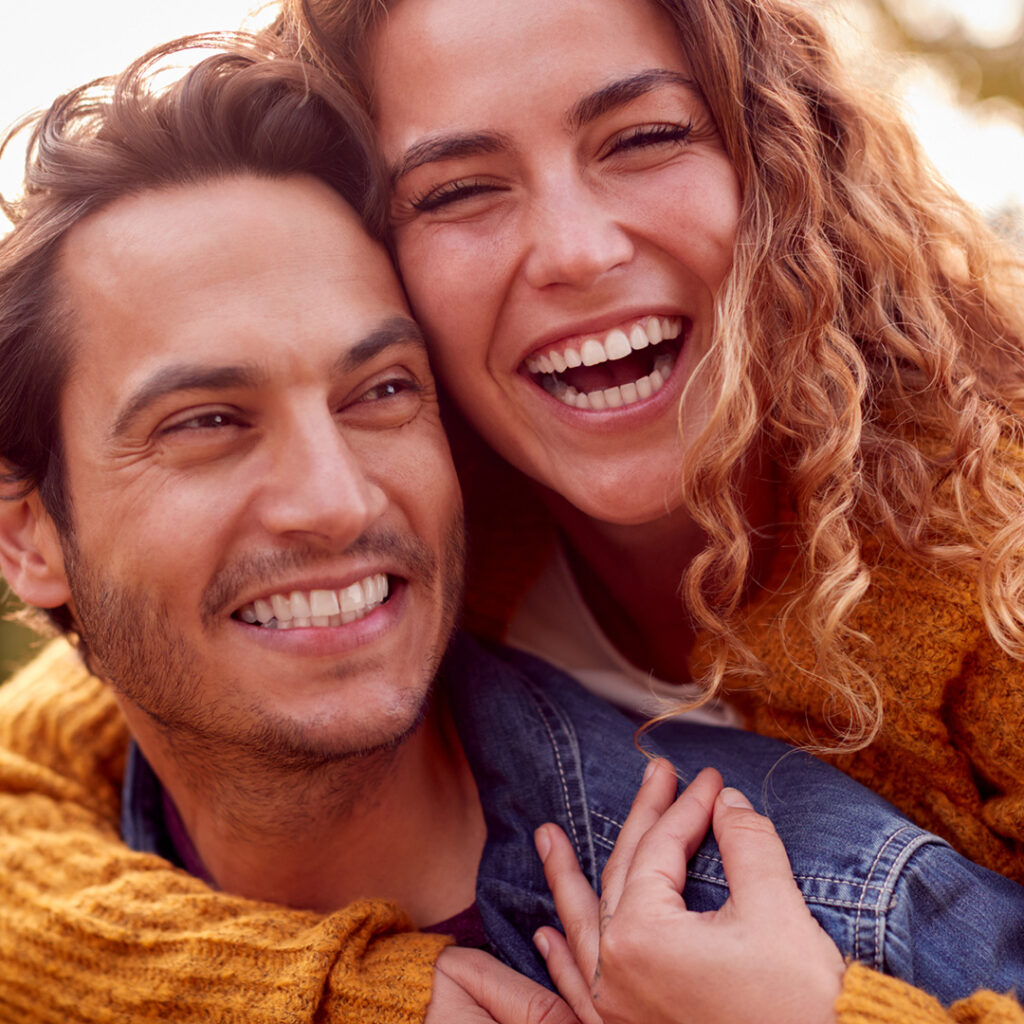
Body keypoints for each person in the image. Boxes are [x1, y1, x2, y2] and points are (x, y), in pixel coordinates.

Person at [8, 32, 1024, 1024]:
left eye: (641, 136)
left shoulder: (977, 607)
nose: (576, 253)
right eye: (456, 189)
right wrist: (330, 991)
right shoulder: (466, 507)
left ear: (774, 158)